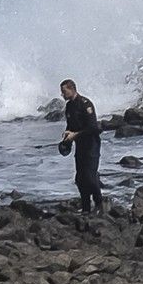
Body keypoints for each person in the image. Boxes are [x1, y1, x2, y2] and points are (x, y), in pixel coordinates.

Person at [60, 78, 103, 213]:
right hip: (80, 146)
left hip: (91, 144)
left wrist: (75, 135)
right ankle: (85, 207)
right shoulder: (69, 106)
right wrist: (68, 134)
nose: (62, 95)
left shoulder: (85, 104)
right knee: (80, 178)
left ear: (72, 89)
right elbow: (71, 125)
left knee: (90, 176)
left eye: (64, 92)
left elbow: (92, 128)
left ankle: (99, 204)